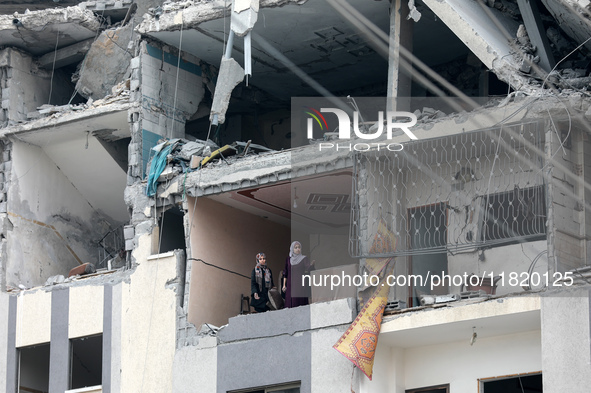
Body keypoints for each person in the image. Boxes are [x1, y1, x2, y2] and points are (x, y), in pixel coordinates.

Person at [282, 241, 315, 308]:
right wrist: (284, 285)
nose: (298, 249)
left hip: (300, 284)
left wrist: (312, 266)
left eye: (299, 247)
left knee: (299, 303)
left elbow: (309, 269)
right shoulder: (288, 259)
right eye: (296, 247)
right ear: (292, 249)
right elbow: (285, 272)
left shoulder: (304, 258)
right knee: (289, 304)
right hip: (290, 284)